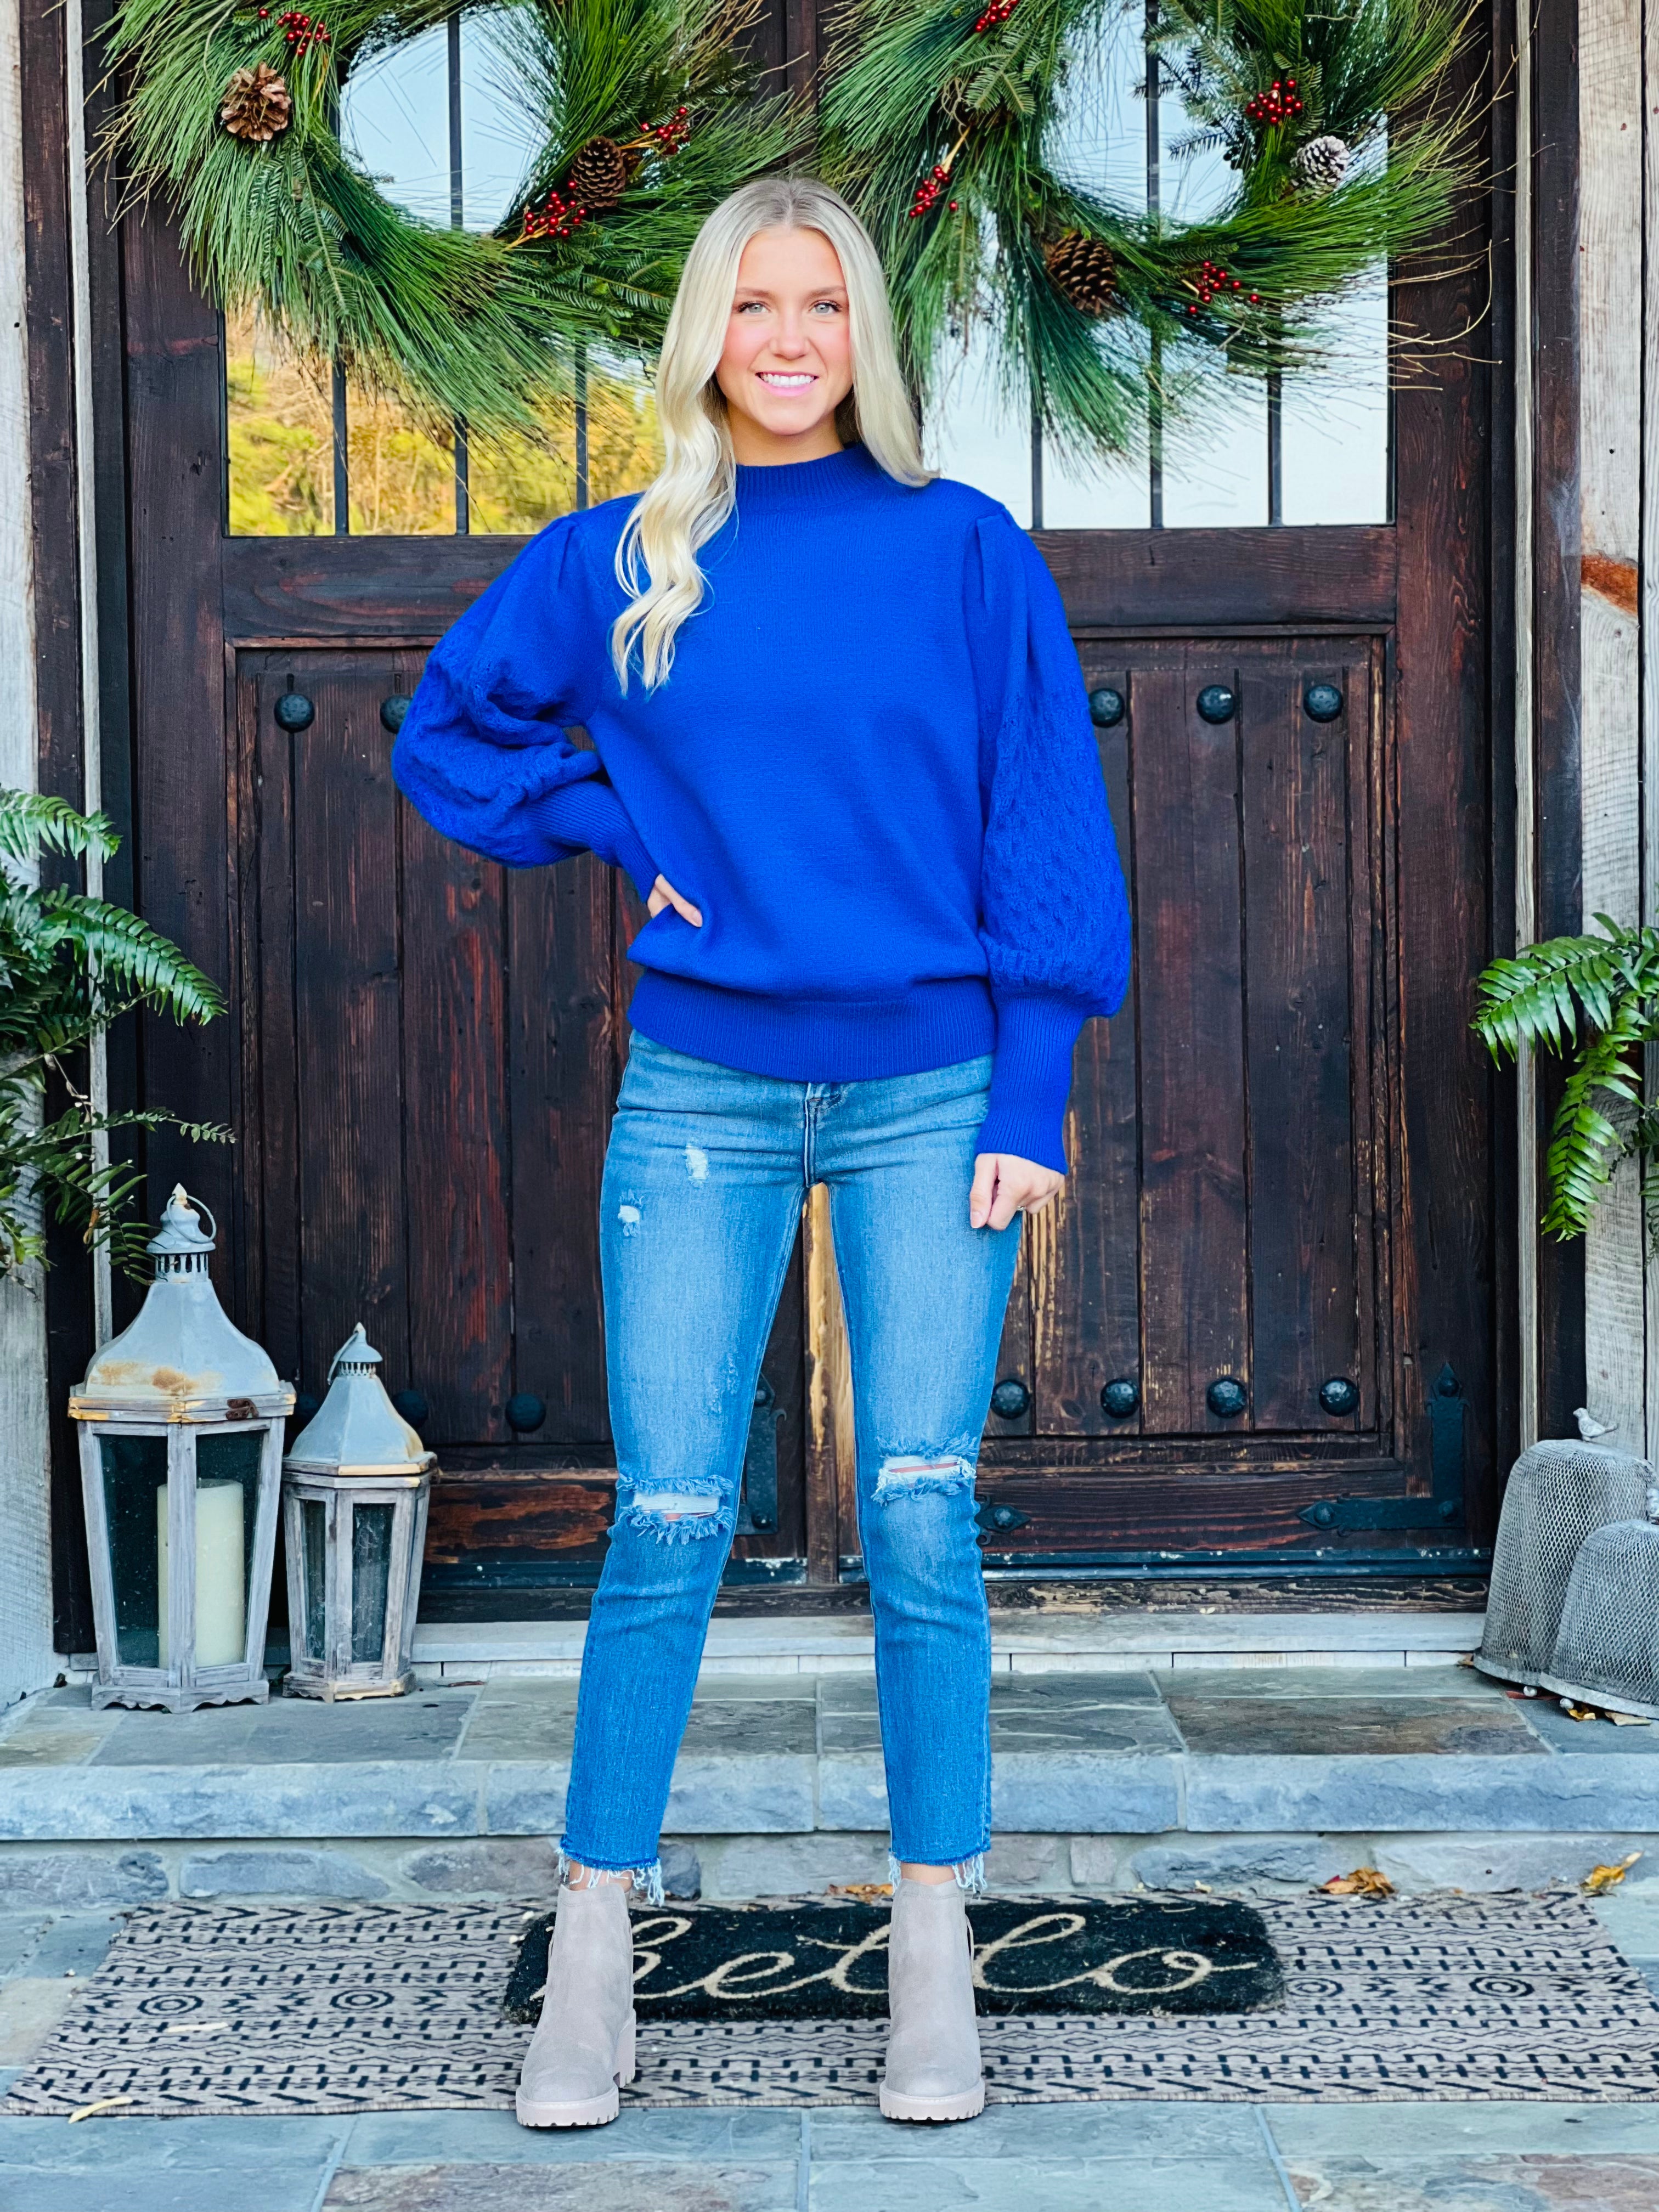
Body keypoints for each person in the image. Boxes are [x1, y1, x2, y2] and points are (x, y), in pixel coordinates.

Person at [391, 172, 1131, 2129]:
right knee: (668, 1514)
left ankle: (935, 1958)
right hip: (702, 1091)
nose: (788, 339)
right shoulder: (619, 556)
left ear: (862, 332)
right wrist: (609, 823)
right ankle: (592, 1954)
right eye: (753, 304)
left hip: (930, 1089)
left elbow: (1045, 814)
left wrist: (1031, 1091)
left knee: (919, 1510)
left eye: (821, 304)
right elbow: (446, 735)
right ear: (705, 335)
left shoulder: (964, 550)